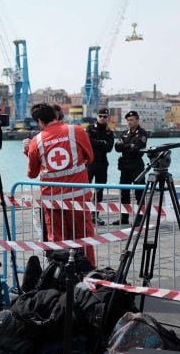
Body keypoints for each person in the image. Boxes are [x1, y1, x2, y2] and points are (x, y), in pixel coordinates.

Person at [25, 103, 96, 267]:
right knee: (84, 237)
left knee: (57, 241)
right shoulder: (77, 131)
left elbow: (32, 173)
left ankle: (60, 275)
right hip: (78, 196)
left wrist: (28, 152)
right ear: (56, 116)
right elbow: (90, 157)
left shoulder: (37, 141)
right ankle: (88, 272)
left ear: (40, 122)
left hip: (53, 200)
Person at [113, 110, 149, 226]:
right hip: (125, 167)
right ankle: (124, 217)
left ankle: (140, 218)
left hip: (137, 166)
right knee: (124, 193)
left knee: (139, 193)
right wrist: (129, 146)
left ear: (137, 120)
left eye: (132, 120)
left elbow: (137, 148)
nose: (129, 122)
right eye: (128, 120)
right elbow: (117, 148)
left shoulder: (142, 133)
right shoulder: (124, 133)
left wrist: (125, 145)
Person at [86, 108, 115, 226]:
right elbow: (87, 142)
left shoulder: (109, 132)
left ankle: (95, 216)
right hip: (89, 163)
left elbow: (109, 148)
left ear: (108, 117)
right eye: (101, 116)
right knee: (84, 189)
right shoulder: (89, 128)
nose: (103, 118)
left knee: (99, 191)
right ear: (97, 116)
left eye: (105, 116)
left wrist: (96, 142)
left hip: (102, 164)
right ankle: (84, 214)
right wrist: (102, 142)